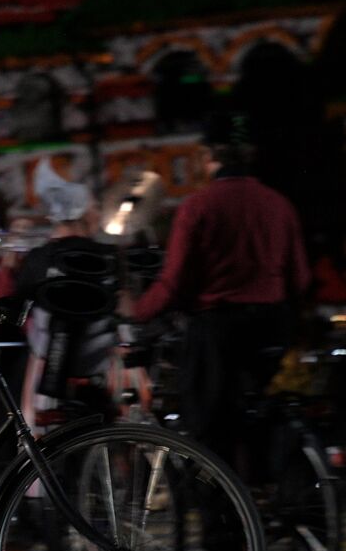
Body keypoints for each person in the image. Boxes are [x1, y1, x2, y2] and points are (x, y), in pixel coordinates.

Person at [122, 111, 311, 474]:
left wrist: (137, 311)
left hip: (218, 333)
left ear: (210, 156)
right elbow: (299, 279)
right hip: (273, 328)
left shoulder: (198, 207)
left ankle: (221, 522)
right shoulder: (279, 204)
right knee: (261, 416)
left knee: (209, 433)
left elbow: (173, 283)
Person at [10, 158, 119, 429]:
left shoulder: (38, 259)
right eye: (94, 207)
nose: (98, 213)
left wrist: (9, 261)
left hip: (47, 379)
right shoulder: (110, 257)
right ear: (82, 212)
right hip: (101, 378)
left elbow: (13, 312)